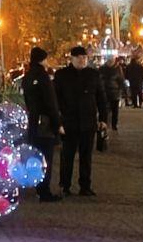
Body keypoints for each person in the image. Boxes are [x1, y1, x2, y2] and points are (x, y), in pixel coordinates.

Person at [53, 44, 105, 196]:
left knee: (86, 156)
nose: (82, 60)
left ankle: (85, 185)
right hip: (70, 121)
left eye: (85, 57)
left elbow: (101, 97)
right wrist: (59, 120)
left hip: (88, 121)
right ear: (72, 58)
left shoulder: (93, 74)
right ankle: (65, 184)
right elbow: (55, 99)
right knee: (67, 155)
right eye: (79, 57)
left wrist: (102, 118)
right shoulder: (62, 75)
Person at [21, 47, 63, 201]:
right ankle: (44, 190)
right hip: (45, 123)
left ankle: (37, 186)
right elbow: (50, 102)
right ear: (43, 59)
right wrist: (58, 122)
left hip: (33, 120)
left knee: (36, 157)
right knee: (47, 157)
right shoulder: (43, 76)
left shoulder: (27, 77)